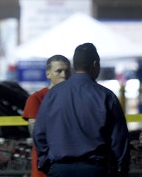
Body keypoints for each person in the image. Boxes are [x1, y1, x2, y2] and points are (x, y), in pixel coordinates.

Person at [34, 43, 130, 177]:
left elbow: (39, 133)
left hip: (59, 169)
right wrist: (120, 169)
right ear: (95, 64)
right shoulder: (106, 96)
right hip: (95, 170)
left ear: (74, 65)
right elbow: (119, 140)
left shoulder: (52, 94)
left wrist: (46, 163)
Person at [21, 55, 70, 177]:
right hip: (46, 164)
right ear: (48, 74)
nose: (64, 75)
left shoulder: (75, 97)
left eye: (67, 71)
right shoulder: (37, 98)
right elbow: (36, 135)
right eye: (59, 71)